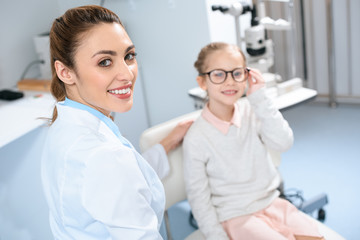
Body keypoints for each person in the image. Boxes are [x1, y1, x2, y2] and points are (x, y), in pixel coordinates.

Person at [41, 5, 192, 239]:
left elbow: (118, 182)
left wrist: (168, 143)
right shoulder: (103, 156)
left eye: (128, 56)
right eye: (104, 62)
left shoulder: (64, 125)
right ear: (65, 72)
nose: (127, 74)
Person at [183, 42, 324, 240]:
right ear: (202, 82)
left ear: (247, 75)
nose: (230, 81)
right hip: (236, 216)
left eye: (237, 73)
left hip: (273, 203)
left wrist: (260, 98)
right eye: (218, 74)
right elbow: (199, 200)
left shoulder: (253, 111)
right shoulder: (196, 138)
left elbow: (284, 143)